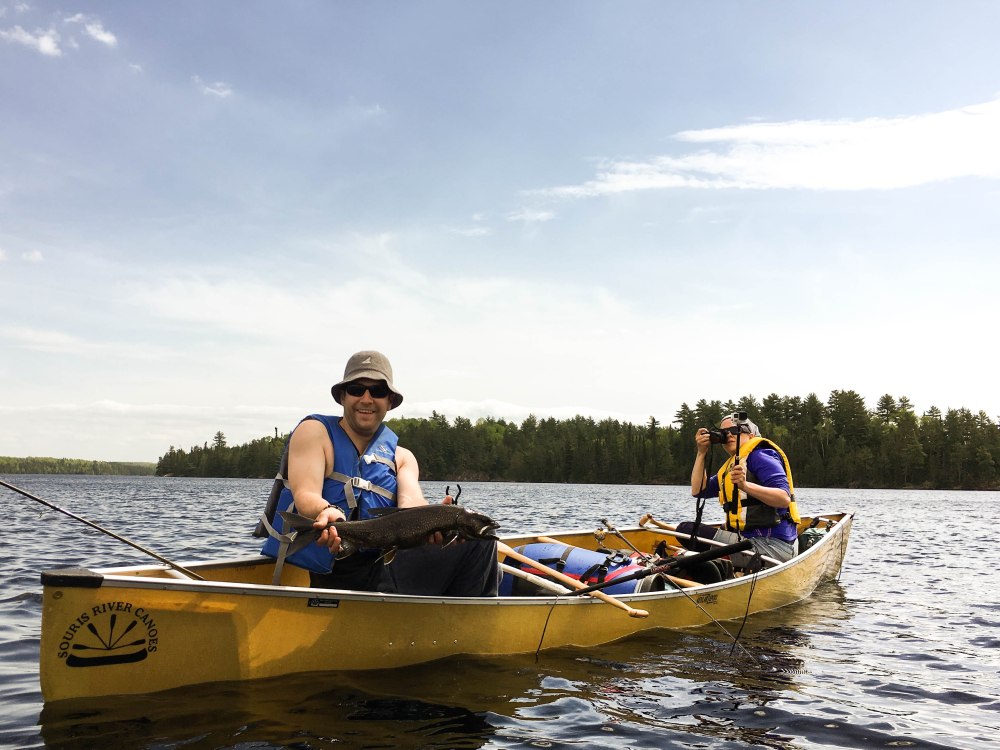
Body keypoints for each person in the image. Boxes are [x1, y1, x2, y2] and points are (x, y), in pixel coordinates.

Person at [258, 350, 499, 595]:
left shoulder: (402, 457)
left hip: (380, 565)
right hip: (332, 568)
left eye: (378, 391)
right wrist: (325, 511)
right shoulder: (315, 432)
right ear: (343, 396)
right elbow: (305, 493)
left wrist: (439, 516)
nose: (366, 398)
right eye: (356, 389)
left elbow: (412, 506)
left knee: (479, 544)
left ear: (390, 401)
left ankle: (461, 621)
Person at [680, 412, 801, 570]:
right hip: (748, 541)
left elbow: (783, 498)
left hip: (773, 546)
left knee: (685, 530)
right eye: (724, 433)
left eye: (736, 430)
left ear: (751, 436)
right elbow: (698, 490)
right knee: (688, 533)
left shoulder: (760, 456)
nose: (729, 435)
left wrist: (745, 486)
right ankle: (722, 568)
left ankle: (720, 568)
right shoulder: (732, 466)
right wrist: (701, 452)